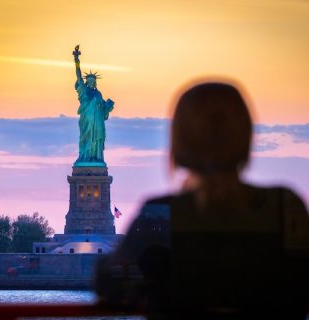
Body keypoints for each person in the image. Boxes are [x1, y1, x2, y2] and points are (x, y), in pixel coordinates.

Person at [95, 80, 309, 319]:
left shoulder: (160, 213)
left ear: (179, 141)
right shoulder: (286, 207)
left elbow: (112, 284)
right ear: (247, 135)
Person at [73, 45, 114, 165]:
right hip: (87, 121)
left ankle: (96, 158)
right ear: (86, 82)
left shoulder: (98, 94)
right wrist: (76, 61)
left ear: (95, 82)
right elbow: (79, 76)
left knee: (98, 139)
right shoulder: (84, 91)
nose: (91, 82)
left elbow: (103, 110)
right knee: (86, 139)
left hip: (98, 123)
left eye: (93, 81)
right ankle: (85, 157)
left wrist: (107, 107)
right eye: (89, 81)